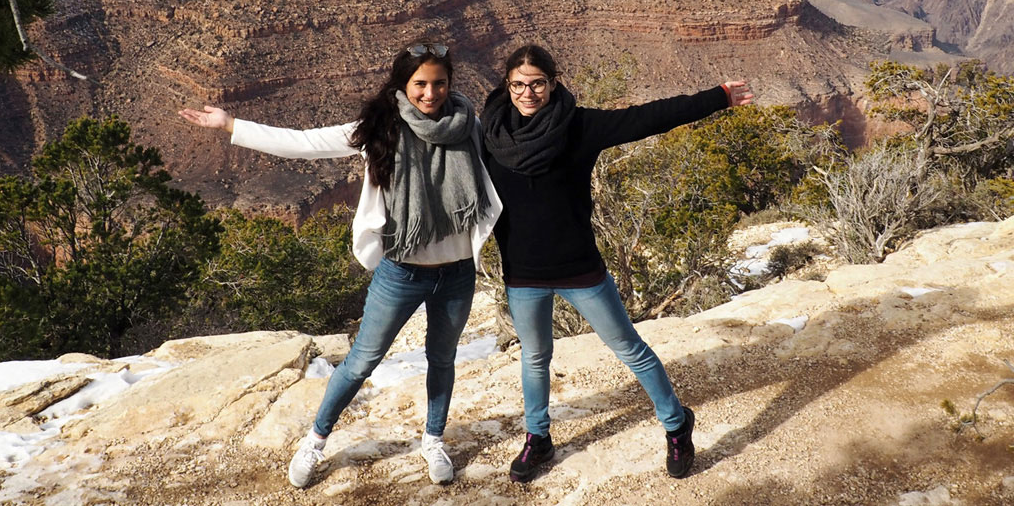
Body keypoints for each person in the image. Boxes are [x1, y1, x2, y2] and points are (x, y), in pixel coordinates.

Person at [179, 42, 502, 489]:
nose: (431, 93)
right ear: (403, 86)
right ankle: (314, 440)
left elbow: (510, 155)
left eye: (439, 83)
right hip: (401, 272)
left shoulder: (469, 126)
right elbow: (305, 143)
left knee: (441, 359)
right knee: (360, 362)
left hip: (457, 272)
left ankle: (432, 439)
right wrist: (231, 124)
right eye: (421, 84)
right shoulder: (378, 130)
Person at [479, 44, 752, 483]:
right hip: (522, 273)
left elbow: (648, 117)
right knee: (534, 357)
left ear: (553, 81)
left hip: (579, 267)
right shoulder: (487, 133)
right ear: (505, 85)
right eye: (518, 85)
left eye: (537, 84)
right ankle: (538, 437)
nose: (527, 93)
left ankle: (677, 424)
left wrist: (718, 96)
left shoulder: (579, 125)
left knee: (630, 350)